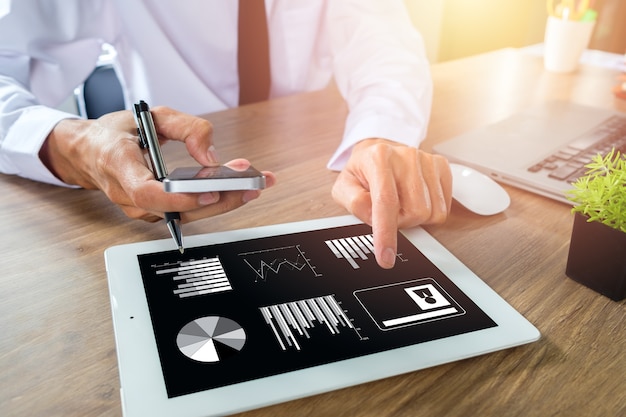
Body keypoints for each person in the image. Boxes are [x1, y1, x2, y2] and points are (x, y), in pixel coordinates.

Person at [0, 0, 452, 269]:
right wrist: (73, 145)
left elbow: (384, 45)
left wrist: (382, 135)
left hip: (304, 168)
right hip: (168, 167)